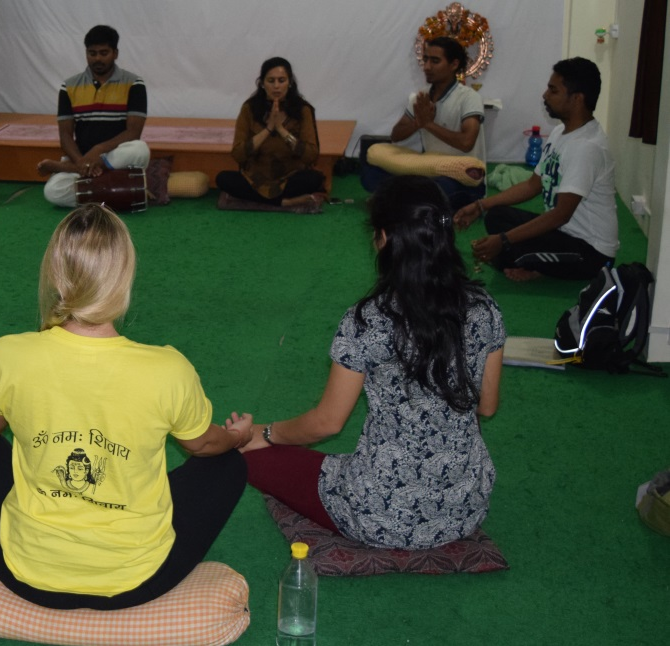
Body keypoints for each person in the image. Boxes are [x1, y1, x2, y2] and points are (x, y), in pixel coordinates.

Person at [0, 204, 251, 610]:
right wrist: (237, 436)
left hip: (29, 576)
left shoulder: (9, 353)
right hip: (135, 581)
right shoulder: (168, 368)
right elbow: (205, 446)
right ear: (125, 278)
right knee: (227, 463)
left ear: (55, 275)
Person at [239, 175, 505, 550]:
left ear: (384, 238)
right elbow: (488, 406)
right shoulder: (484, 308)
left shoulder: (369, 320)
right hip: (465, 508)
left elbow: (326, 422)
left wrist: (263, 434)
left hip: (380, 513)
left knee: (247, 458)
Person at [456, 58, 617, 282]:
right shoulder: (560, 132)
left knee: (504, 252)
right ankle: (533, 261)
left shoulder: (587, 148)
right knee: (497, 215)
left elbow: (561, 215)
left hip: (591, 253)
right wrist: (480, 205)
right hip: (564, 234)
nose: (544, 95)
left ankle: (534, 266)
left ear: (577, 99)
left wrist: (503, 240)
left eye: (553, 90)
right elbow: (533, 185)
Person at [363, 37, 487, 210]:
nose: (427, 67)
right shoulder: (421, 97)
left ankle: (398, 201)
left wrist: (428, 124)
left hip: (464, 177)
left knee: (442, 188)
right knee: (371, 173)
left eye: (435, 61)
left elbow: (467, 143)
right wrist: (417, 123)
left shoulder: (469, 98)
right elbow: (395, 135)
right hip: (430, 170)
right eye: (425, 60)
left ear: (453, 64)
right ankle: (410, 201)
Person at [38, 25, 150, 208]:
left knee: (140, 149)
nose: (97, 58)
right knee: (52, 192)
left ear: (115, 53)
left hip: (115, 156)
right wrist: (82, 162)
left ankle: (77, 175)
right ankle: (118, 193)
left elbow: (133, 133)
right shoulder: (69, 86)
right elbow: (65, 136)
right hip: (82, 158)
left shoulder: (134, 83)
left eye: (104, 53)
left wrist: (98, 151)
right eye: (92, 53)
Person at [215, 57, 325, 211]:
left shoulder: (302, 110)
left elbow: (311, 155)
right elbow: (238, 154)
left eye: (281, 80)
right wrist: (268, 129)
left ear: (290, 82)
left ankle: (253, 202)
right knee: (223, 179)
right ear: (262, 83)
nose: (276, 86)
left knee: (315, 179)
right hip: (255, 177)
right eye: (271, 81)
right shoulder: (249, 109)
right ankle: (286, 203)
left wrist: (281, 130)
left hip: (290, 175)